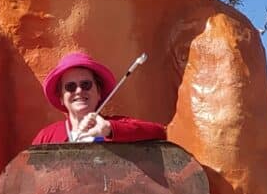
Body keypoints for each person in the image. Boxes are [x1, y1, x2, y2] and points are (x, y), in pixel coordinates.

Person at [32, 51, 167, 144]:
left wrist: (108, 129)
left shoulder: (115, 126)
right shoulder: (47, 137)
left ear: (99, 93)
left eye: (86, 84)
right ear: (61, 97)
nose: (79, 91)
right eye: (70, 87)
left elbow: (160, 133)